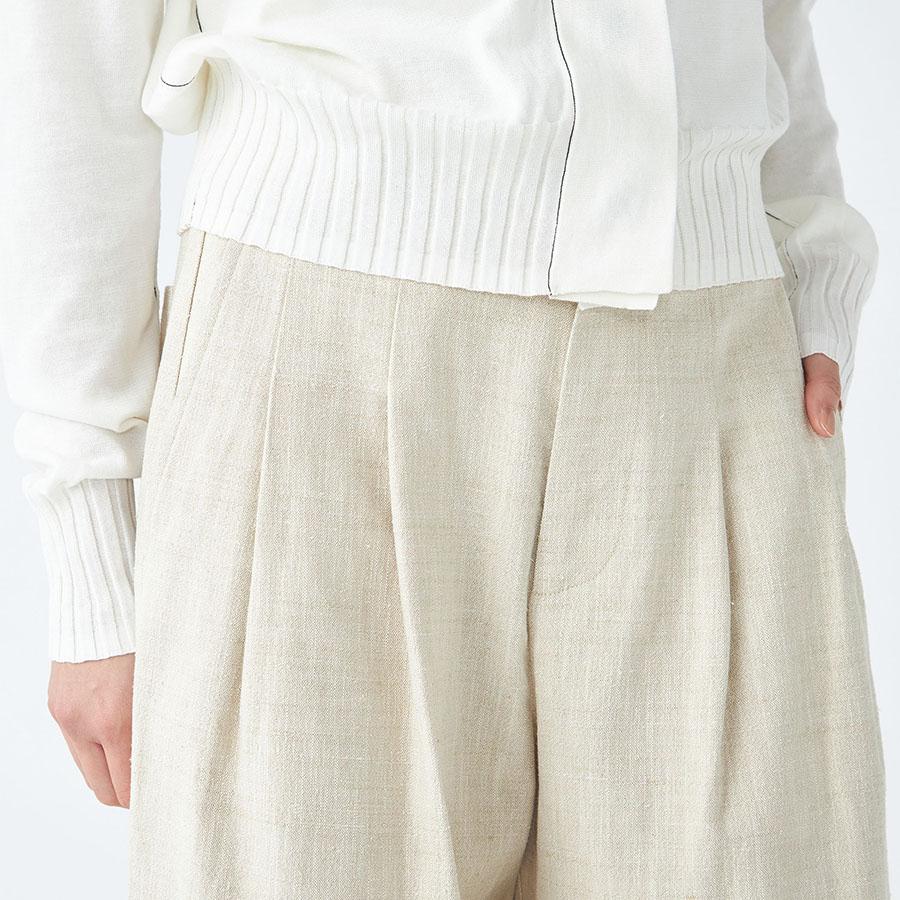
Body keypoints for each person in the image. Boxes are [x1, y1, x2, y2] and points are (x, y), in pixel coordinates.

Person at [0, 0, 888, 896]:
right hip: (319, 367)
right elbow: (73, 41)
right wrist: (92, 557)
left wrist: (805, 246)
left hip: (712, 356)